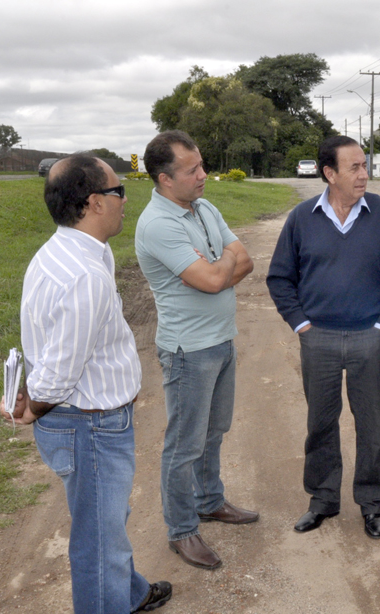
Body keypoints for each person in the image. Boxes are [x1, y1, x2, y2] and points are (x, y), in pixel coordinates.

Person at [1, 154, 170, 614]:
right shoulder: (83, 274)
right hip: (89, 425)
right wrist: (33, 409)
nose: (125, 200)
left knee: (107, 520)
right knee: (98, 536)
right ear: (95, 202)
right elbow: (59, 370)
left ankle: (129, 592)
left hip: (89, 421)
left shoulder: (71, 251)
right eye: (119, 192)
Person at [266, 136, 380, 539]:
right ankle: (323, 499)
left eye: (364, 166)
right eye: (354, 167)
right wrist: (301, 325)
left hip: (369, 338)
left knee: (372, 425)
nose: (364, 174)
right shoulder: (302, 218)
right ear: (330, 174)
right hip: (319, 340)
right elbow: (280, 278)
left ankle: (371, 503)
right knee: (320, 423)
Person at [135, 130, 257, 571]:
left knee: (214, 431)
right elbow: (212, 279)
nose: (204, 174)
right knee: (184, 445)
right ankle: (182, 530)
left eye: (202, 164)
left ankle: (209, 501)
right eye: (192, 170)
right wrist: (219, 270)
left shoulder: (203, 208)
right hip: (188, 351)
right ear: (165, 179)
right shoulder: (158, 223)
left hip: (221, 340)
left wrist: (217, 271)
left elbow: (244, 261)